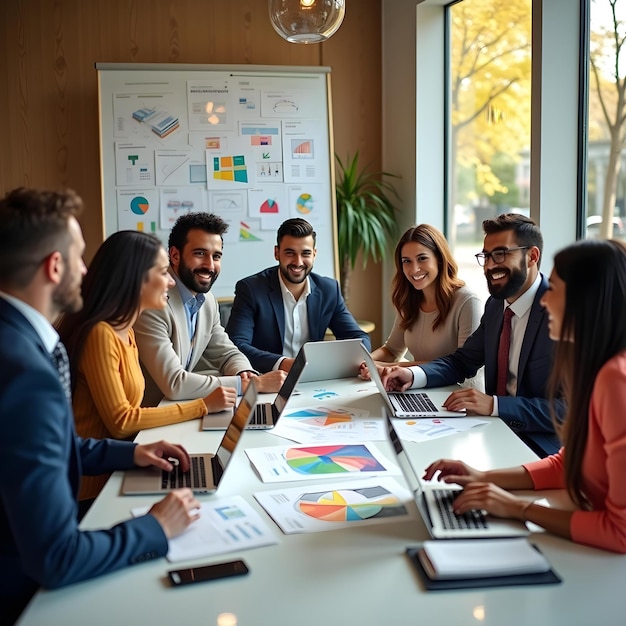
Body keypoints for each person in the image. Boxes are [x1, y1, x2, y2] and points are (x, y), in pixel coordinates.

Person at [0, 188, 200, 624]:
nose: (86, 270)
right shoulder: (24, 371)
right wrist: (156, 527)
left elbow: (53, 444)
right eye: (79, 257)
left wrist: (131, 452)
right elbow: (57, 557)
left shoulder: (19, 342)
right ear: (55, 267)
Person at [424, 239, 626, 553]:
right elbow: (568, 463)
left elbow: (620, 532)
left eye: (555, 289)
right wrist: (483, 476)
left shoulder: (616, 379)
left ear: (585, 300)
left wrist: (518, 509)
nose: (546, 302)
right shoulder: (594, 367)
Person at [57, 230, 237, 500]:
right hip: (94, 489)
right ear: (136, 279)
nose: (171, 283)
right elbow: (121, 421)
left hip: (123, 467)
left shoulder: (126, 330)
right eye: (163, 273)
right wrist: (202, 406)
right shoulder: (101, 334)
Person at [380, 213, 562, 457]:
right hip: (493, 430)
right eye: (486, 256)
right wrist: (412, 374)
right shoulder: (496, 306)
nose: (489, 265)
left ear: (532, 256)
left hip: (543, 447)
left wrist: (495, 405)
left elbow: (570, 410)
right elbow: (461, 361)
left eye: (500, 254)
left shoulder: (563, 310)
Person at [134, 212, 286, 408]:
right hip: (150, 418)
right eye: (200, 254)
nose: (210, 265)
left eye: (216, 256)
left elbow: (227, 352)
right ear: (175, 255)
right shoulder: (153, 302)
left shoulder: (207, 300)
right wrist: (249, 385)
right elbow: (174, 383)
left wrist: (243, 373)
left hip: (181, 410)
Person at [225, 217, 371, 373]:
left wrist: (360, 360)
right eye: (290, 253)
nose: (298, 262)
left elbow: (358, 338)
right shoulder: (251, 289)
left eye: (305, 253)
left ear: (314, 254)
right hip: (267, 378)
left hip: (313, 379)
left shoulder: (329, 290)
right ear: (277, 253)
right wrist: (283, 363)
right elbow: (237, 344)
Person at [368, 224, 481, 366]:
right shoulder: (408, 300)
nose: (414, 269)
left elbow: (463, 365)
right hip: (420, 386)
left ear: (439, 258)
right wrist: (366, 362)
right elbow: (392, 350)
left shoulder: (467, 301)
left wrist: (387, 367)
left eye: (422, 258)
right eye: (407, 261)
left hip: (459, 387)